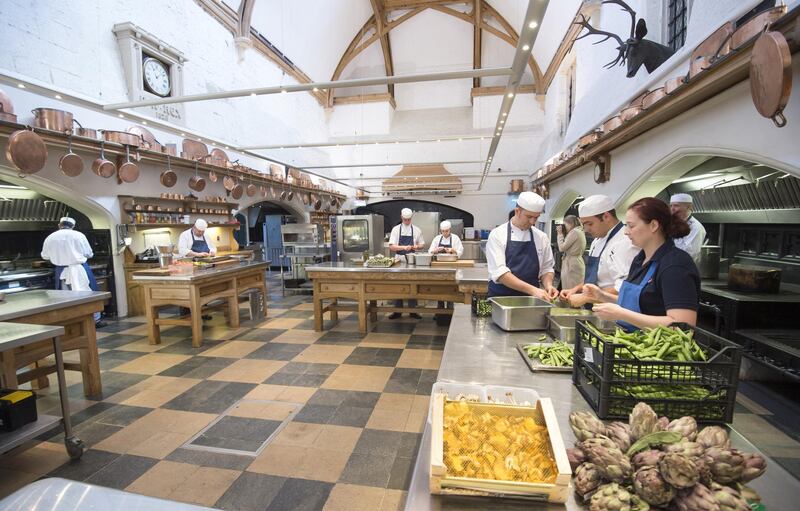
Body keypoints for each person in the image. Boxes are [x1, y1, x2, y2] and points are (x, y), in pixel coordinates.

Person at [585, 197, 701, 331]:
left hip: (659, 349)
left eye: (631, 226)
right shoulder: (640, 259)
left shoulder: (675, 266)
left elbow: (683, 326)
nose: (625, 231)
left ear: (654, 225)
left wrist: (621, 314)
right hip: (634, 344)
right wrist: (602, 296)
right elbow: (641, 304)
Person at [560, 195, 639, 308]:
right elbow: (596, 278)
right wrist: (576, 289)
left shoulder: (625, 242)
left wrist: (586, 297)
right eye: (584, 225)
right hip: (596, 308)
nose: (586, 230)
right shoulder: (597, 240)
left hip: (613, 311)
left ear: (606, 216)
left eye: (590, 224)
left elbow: (624, 287)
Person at [486, 191, 558, 300]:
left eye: (536, 217)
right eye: (529, 216)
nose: (533, 221)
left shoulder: (541, 237)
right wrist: (533, 290)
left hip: (531, 300)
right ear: (517, 211)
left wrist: (548, 285)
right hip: (501, 299)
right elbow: (500, 273)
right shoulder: (497, 234)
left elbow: (546, 268)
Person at [41, 217, 104, 327]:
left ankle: (73, 322)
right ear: (73, 226)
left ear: (59, 225)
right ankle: (94, 320)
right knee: (88, 294)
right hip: (79, 269)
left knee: (65, 298)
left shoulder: (50, 237)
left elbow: (45, 256)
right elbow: (89, 253)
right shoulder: (79, 235)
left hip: (61, 271)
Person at [388, 208, 425, 319]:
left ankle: (413, 310)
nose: (407, 221)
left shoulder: (417, 230)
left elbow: (422, 244)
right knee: (398, 284)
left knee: (412, 283)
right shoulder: (396, 229)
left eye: (408, 219)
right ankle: (397, 311)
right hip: (399, 260)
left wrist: (416, 246)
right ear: (401, 217)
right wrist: (404, 247)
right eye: (405, 219)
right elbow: (391, 246)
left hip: (412, 260)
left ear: (411, 218)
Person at [669, 193, 706, 264]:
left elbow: (690, 253)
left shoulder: (696, 227)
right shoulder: (672, 223)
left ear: (689, 207)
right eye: (671, 205)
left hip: (682, 267)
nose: (672, 209)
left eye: (676, 205)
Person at [556, 215, 586, 291]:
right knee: (573, 288)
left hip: (572, 264)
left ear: (571, 224)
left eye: (565, 225)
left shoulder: (575, 232)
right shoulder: (580, 230)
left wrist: (560, 234)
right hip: (575, 262)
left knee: (570, 289)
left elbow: (561, 248)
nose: (565, 227)